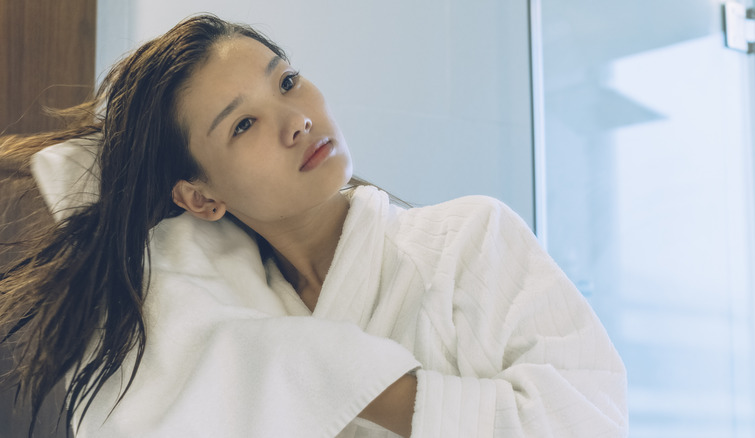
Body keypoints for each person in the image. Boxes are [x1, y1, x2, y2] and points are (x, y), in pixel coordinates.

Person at [0, 14, 628, 437]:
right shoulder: (223, 324)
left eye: (287, 81)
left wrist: (336, 378)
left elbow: (590, 422)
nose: (296, 120)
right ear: (199, 197)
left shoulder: (471, 241)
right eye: (242, 125)